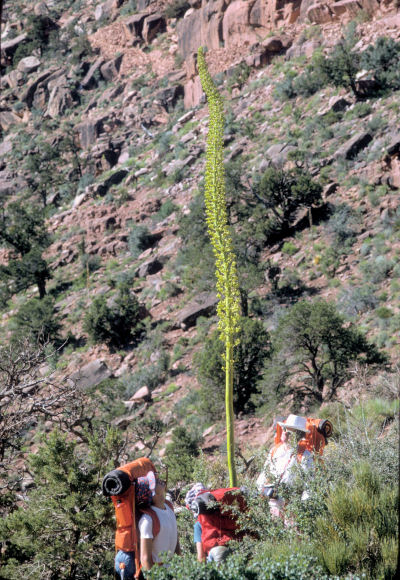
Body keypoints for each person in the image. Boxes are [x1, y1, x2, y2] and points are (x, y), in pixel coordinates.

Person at [256, 414, 314, 518]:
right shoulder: (275, 450)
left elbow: (309, 483)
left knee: (292, 533)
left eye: (288, 432)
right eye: (284, 429)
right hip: (271, 503)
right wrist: (258, 492)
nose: (284, 433)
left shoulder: (305, 456)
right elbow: (263, 474)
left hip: (292, 507)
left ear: (297, 436)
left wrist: (302, 507)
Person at [138, 473, 181, 570]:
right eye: (155, 482)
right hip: (160, 571)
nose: (159, 480)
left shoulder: (169, 506)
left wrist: (180, 564)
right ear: (151, 494)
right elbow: (145, 559)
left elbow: (175, 537)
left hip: (174, 568)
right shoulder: (147, 520)